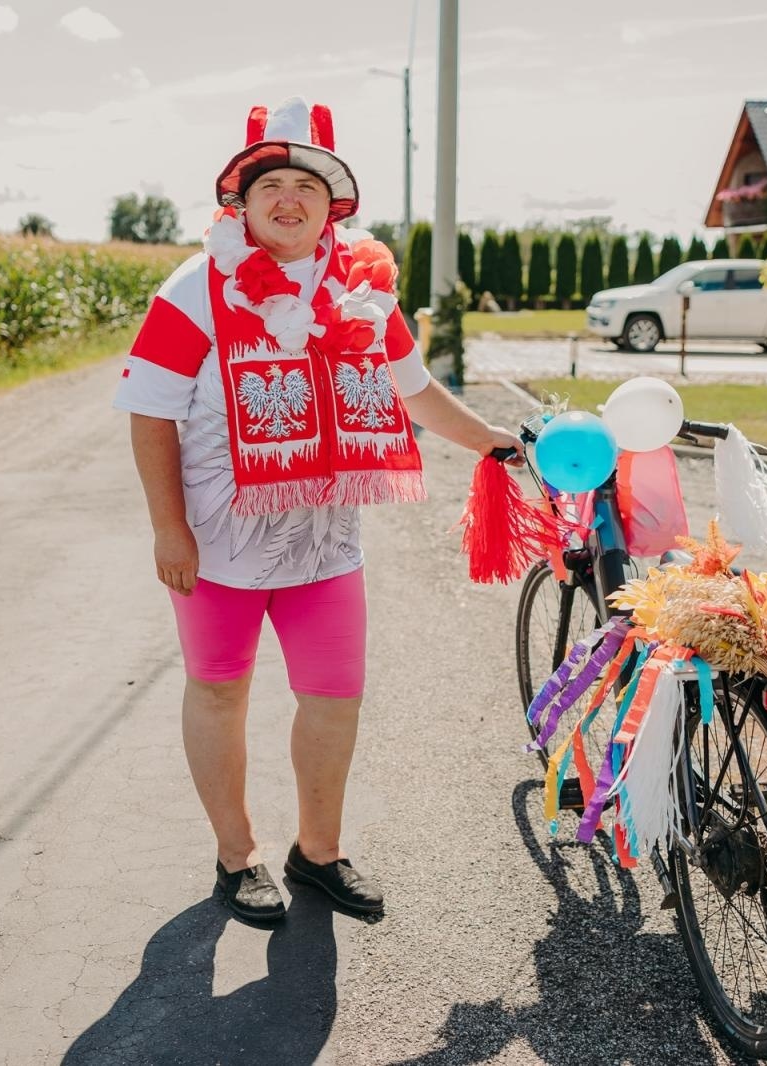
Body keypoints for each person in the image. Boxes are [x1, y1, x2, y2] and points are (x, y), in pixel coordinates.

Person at [114, 97, 521, 922]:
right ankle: (237, 857)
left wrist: (493, 443)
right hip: (217, 546)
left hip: (325, 545)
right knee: (220, 694)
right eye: (271, 184)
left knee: (335, 699)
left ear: (334, 203)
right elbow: (149, 408)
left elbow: (416, 393)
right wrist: (169, 526)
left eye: (307, 182)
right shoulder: (195, 288)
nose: (288, 199)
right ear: (243, 202)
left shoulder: (364, 289)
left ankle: (319, 854)